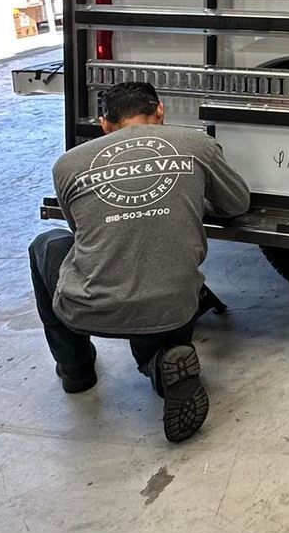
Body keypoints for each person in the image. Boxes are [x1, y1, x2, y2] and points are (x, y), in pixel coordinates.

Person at [28, 81, 252, 443]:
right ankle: (161, 364)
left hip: (90, 308)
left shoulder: (68, 164)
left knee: (48, 244)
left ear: (104, 124)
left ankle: (77, 371)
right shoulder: (196, 145)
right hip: (177, 305)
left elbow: (82, 232)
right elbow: (238, 203)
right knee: (155, 281)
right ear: (160, 111)